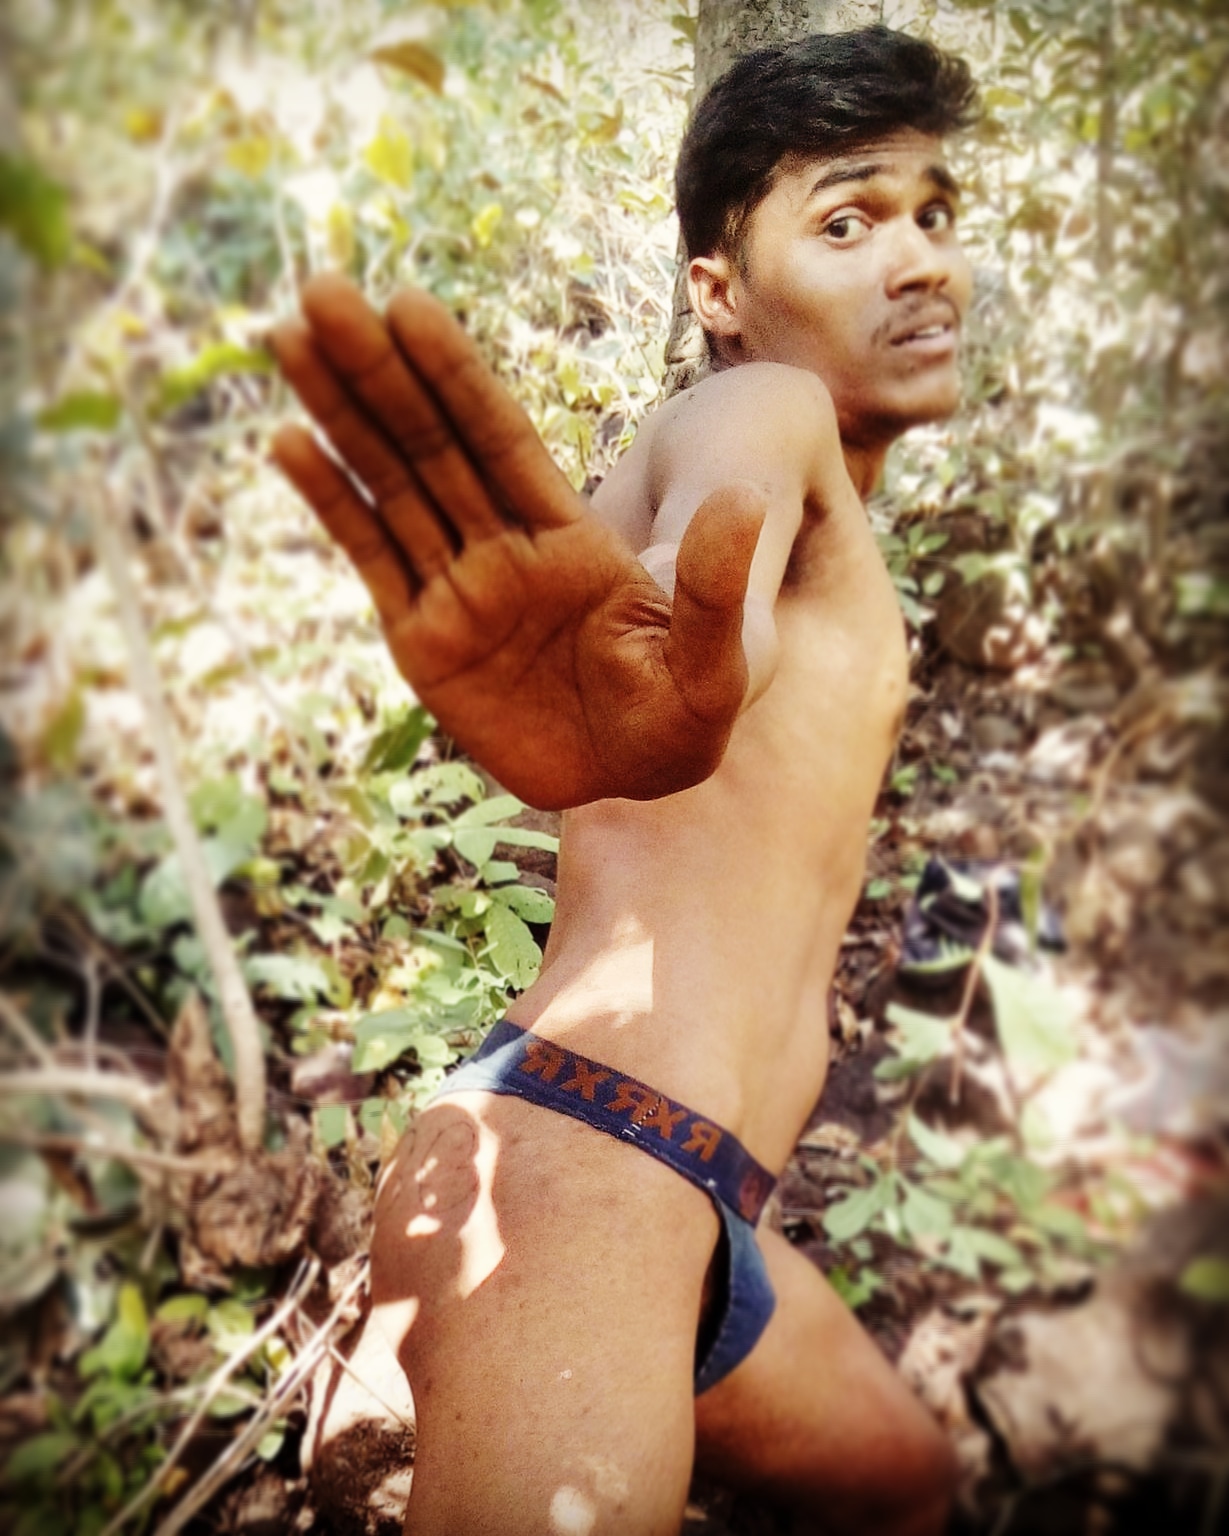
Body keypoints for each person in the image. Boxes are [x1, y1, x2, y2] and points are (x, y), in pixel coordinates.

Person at [271, 25, 975, 1535]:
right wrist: (681, 649)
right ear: (718, 294)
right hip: (589, 1181)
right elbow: (714, 538)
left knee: (908, 1485)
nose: (917, 257)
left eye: (934, 211)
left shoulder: (823, 504)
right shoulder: (761, 410)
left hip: (683, 1201)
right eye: (847, 220)